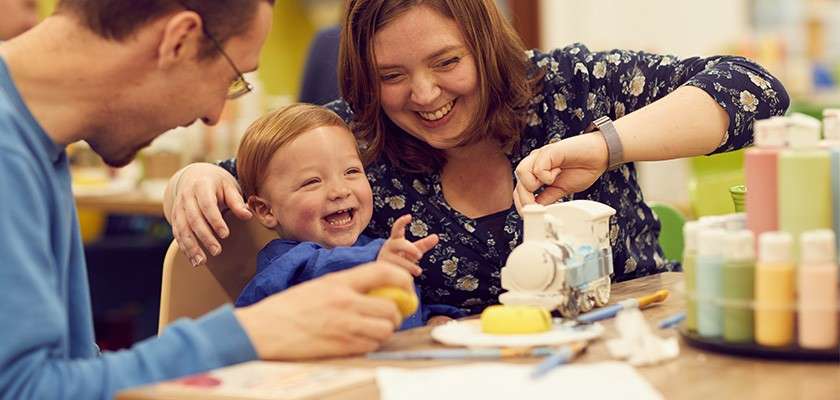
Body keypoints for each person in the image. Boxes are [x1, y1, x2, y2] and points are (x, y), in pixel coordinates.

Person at [164, 0, 789, 317]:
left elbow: (757, 94)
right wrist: (192, 177)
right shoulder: (354, 138)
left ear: (485, 47)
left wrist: (605, 146)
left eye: (446, 62)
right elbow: (248, 180)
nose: (426, 96)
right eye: (391, 75)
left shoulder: (571, 88)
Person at [0, 1, 415, 398]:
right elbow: (23, 391)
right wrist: (254, 332)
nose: (215, 114)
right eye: (229, 79)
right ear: (179, 40)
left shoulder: (37, 144)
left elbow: (63, 369)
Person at [233, 103, 464, 327]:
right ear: (265, 210)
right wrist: (376, 256)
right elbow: (319, 267)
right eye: (312, 182)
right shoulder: (285, 263)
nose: (340, 191)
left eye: (351, 171)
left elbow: (406, 306)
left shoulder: (371, 246)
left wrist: (432, 317)